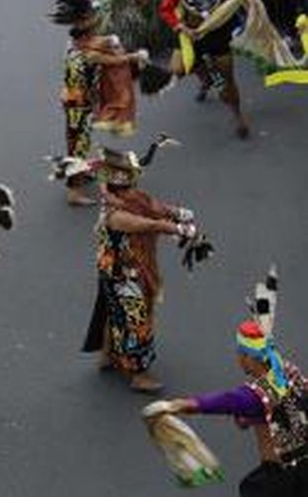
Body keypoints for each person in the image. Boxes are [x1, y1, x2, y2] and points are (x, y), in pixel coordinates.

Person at [82, 143, 199, 392]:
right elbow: (148, 224)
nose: (134, 188)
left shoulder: (125, 196)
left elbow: (154, 207)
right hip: (122, 274)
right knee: (136, 322)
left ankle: (107, 355)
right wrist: (177, 228)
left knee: (114, 313)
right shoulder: (115, 215)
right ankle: (138, 374)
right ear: (124, 185)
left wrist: (177, 212)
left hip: (122, 268)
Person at [150, 318, 308, 496]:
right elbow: (283, 409)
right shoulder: (288, 371)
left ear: (247, 356)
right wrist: (251, 418)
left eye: (240, 353)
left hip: (282, 473)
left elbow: (225, 401)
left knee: (251, 489)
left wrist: (179, 405)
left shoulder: (253, 396)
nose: (238, 359)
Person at [49, 0, 149, 206]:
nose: (96, 18)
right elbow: (114, 60)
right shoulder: (88, 52)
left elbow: (98, 43)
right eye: (92, 16)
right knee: (79, 145)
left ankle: (80, 176)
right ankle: (73, 193)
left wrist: (109, 41)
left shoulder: (77, 41)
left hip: (77, 99)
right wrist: (135, 56)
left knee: (80, 141)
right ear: (83, 22)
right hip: (79, 103)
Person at [159, 0, 250, 137]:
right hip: (188, 32)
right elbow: (166, 9)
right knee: (177, 69)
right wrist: (180, 26)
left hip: (215, 30)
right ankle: (205, 77)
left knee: (227, 79)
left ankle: (237, 114)